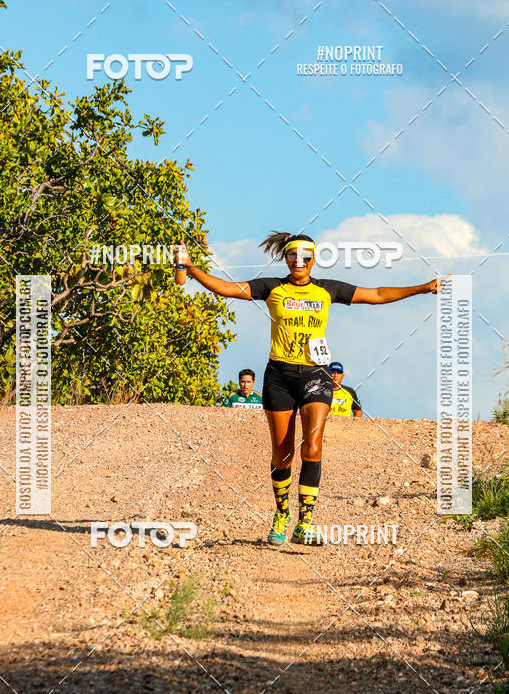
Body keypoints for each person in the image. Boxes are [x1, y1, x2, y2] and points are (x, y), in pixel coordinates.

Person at [175, 233, 444, 546]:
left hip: (316, 376)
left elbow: (378, 294)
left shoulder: (326, 289)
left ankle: (306, 521)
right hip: (279, 377)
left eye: (305, 256)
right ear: (286, 258)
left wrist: (423, 288)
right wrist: (192, 271)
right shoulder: (273, 288)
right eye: (293, 256)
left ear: (314, 259)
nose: (299, 262)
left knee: (313, 446)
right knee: (283, 454)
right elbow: (228, 289)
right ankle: (281, 514)